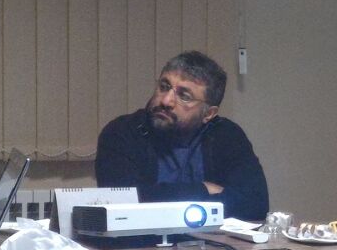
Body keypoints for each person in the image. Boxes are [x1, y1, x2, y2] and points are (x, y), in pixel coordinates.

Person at [96, 51, 269, 221]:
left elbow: (256, 204)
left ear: (208, 114)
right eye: (164, 87)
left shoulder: (226, 135)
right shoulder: (122, 132)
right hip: (141, 239)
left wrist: (158, 196)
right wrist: (203, 189)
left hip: (209, 239)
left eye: (184, 96)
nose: (166, 101)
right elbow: (120, 203)